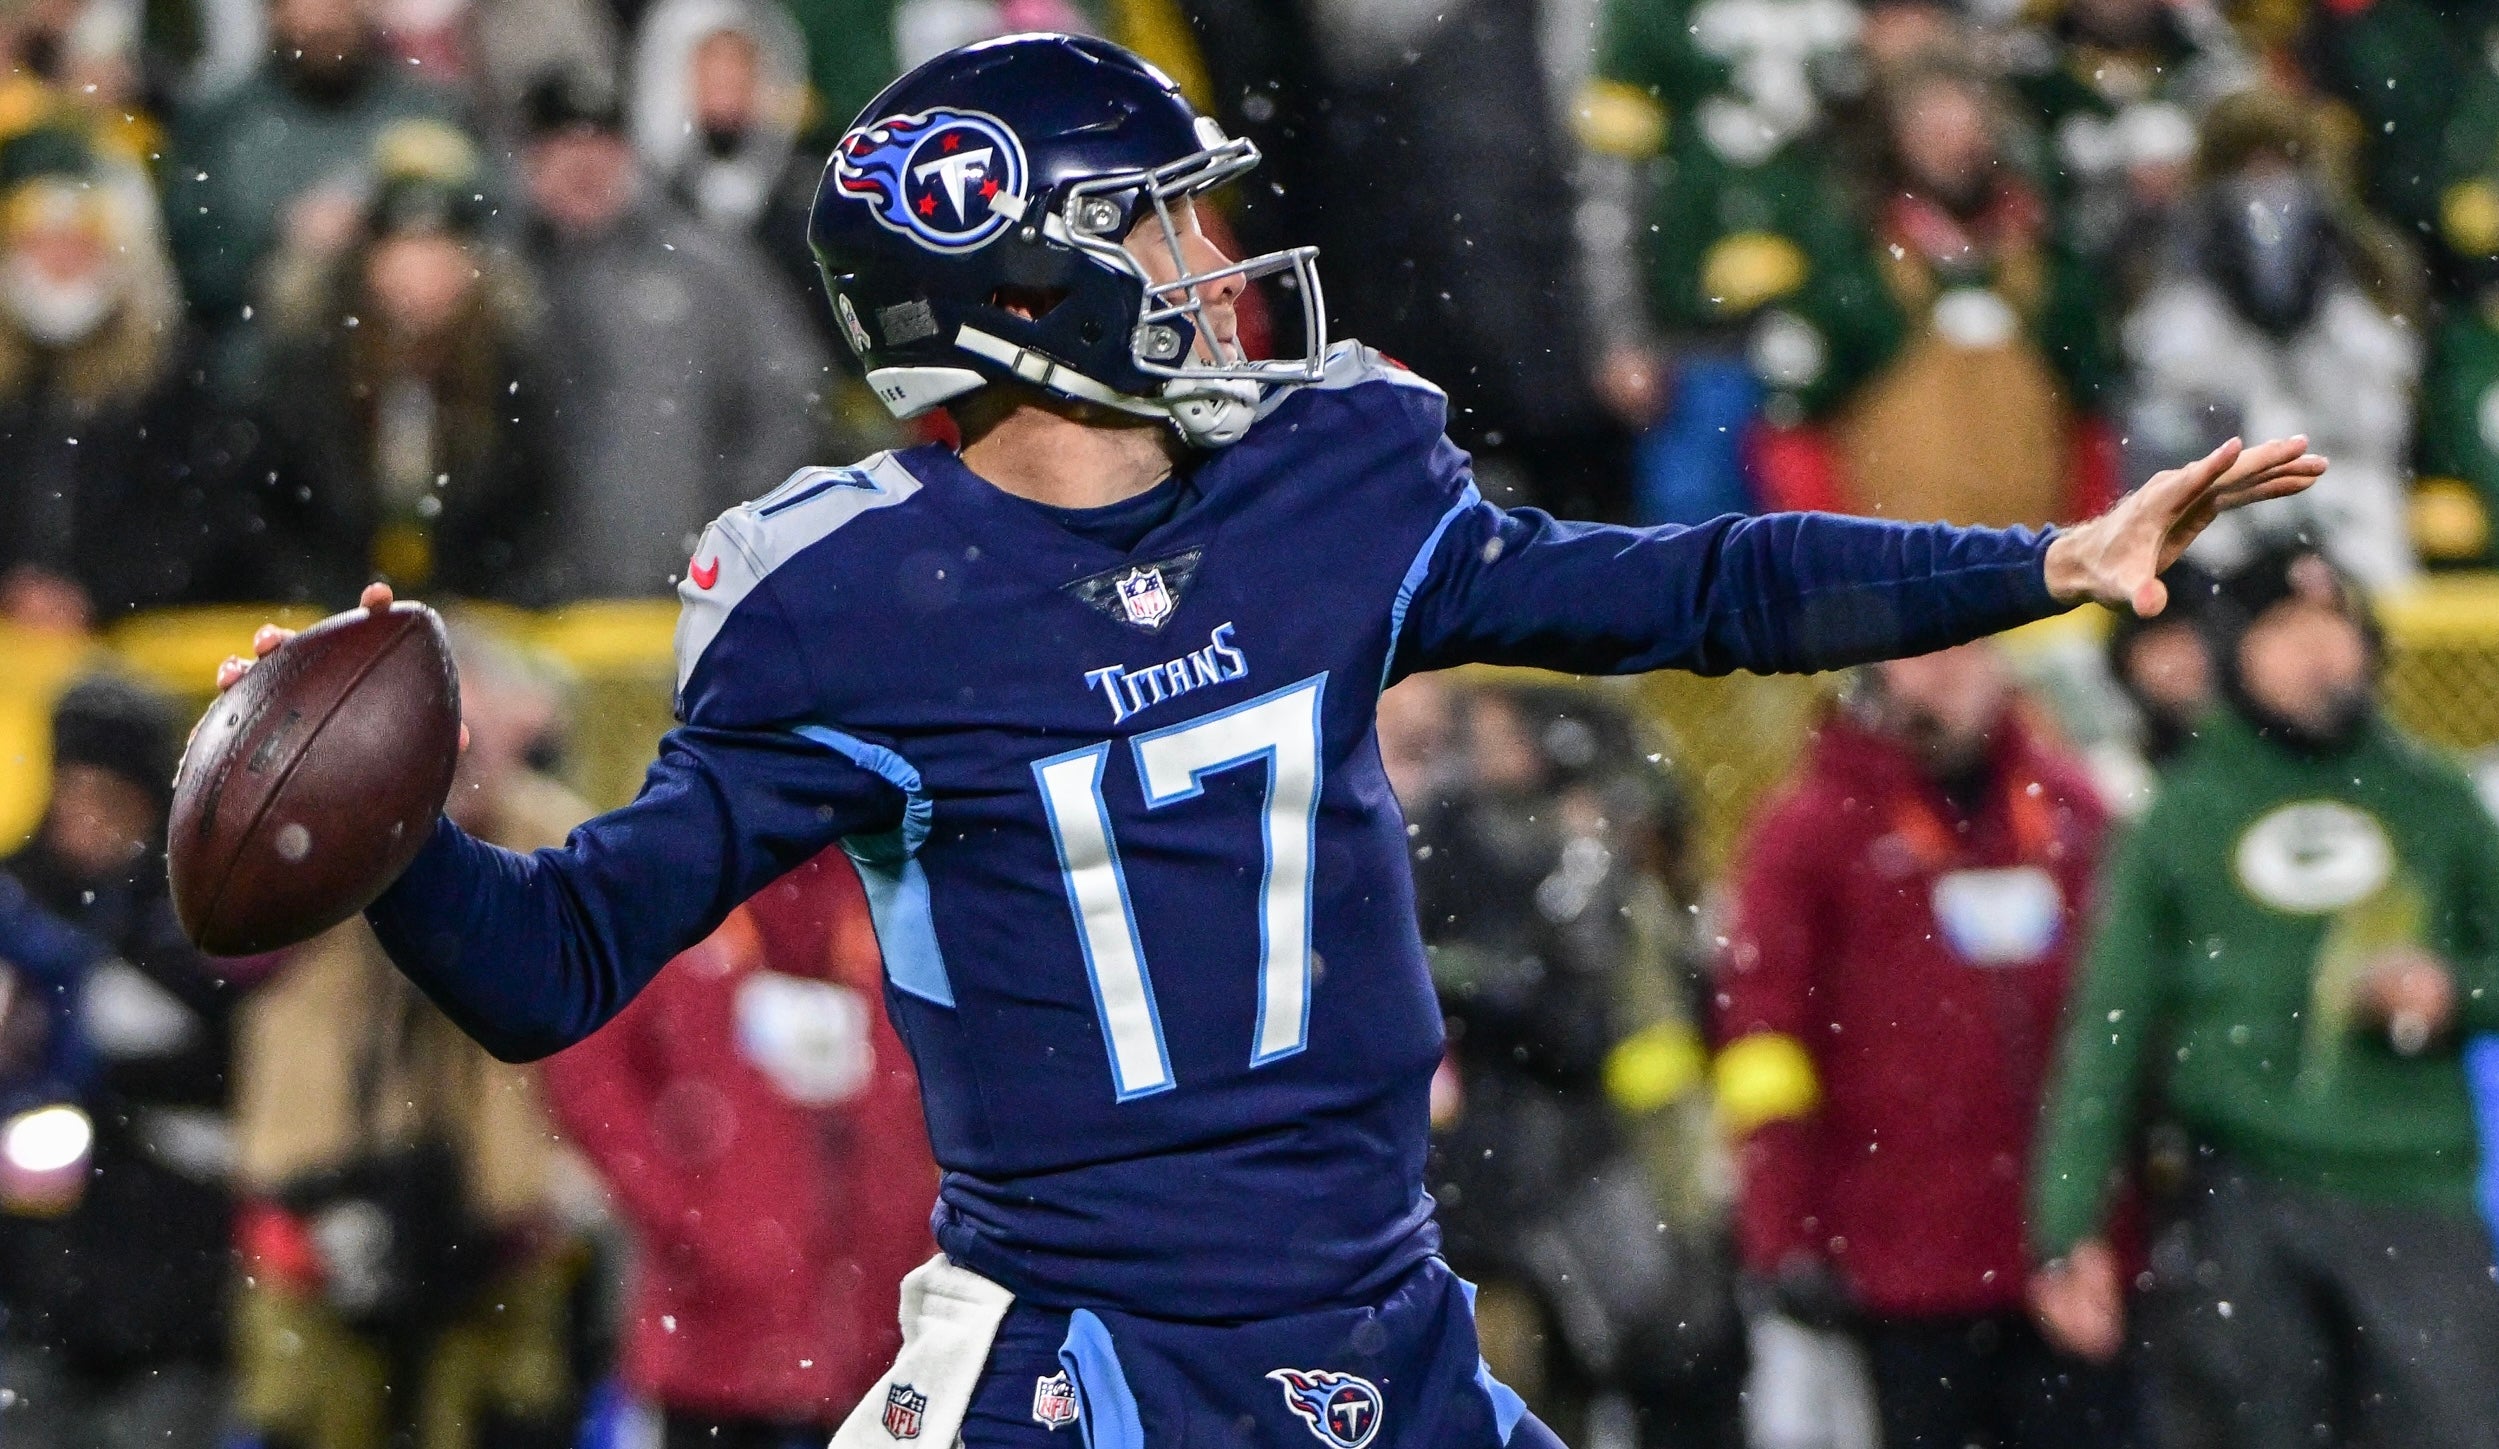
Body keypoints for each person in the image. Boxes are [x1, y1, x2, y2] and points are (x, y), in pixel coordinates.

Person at [215, 34, 2322, 1449]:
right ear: (1023, 288)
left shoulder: (1333, 480)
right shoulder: (845, 599)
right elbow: (555, 961)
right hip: (1086, 1361)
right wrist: (379, 836)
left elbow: (1693, 585)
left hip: (1384, 1317)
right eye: (1161, 227)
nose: (1215, 267)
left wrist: (2040, 558)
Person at [2029, 545, 2499, 1449]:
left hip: (2414, 1188)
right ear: (2234, 651)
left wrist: (2456, 988)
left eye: (2334, 626)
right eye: (2285, 631)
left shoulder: (2432, 797)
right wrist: (2066, 1222)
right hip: (2241, 1193)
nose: (2318, 654)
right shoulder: (2182, 813)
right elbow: (2108, 1029)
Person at [1718, 643, 2129, 1449]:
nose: (1946, 674)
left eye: (1966, 651)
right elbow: (1761, 1042)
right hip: (1901, 1266)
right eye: (1920, 655)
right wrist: (1782, 1229)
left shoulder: (2071, 808)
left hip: (2067, 1255)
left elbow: (2126, 1022)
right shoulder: (1808, 829)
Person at [226, 630, 584, 1449]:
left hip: (504, 1227)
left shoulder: (555, 834)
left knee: (504, 1416)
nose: (456, 749)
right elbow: (225, 948)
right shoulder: (317, 824)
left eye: (470, 725)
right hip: (318, 1210)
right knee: (311, 1417)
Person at [1417, 685, 1739, 1449]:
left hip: (1624, 1175)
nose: (1484, 750)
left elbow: (1582, 1020)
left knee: (1673, 1375)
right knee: (1521, 1400)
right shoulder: (1452, 843)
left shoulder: (1602, 857)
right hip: (1510, 1199)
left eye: (1502, 731)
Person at [543, 847, 938, 1449]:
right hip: (717, 1349)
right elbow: (583, 1057)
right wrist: (688, 1212)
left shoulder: (915, 886)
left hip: (887, 1343)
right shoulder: (684, 879)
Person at [0, 676, 242, 1449]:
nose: (86, 820)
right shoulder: (21, 895)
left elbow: (211, 1062)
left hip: (177, 1292)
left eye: (110, 798)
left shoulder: (201, 912)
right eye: (73, 793)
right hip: (33, 1295)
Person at [514, 67, 828, 601]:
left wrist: (727, 536)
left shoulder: (706, 266)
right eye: (562, 142)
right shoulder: (495, 273)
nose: (584, 161)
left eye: (603, 140)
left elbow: (790, 401)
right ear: (526, 161)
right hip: (521, 614)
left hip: (681, 602)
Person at [252, 125, 562, 604]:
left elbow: (532, 513)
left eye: (438, 249)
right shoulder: (316, 366)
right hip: (334, 616)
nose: (420, 272)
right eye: (404, 249)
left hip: (479, 620)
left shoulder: (509, 369)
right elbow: (282, 509)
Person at [2123, 93, 2422, 589]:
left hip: (2346, 510)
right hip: (2220, 523)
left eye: (2283, 164)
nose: (2267, 191)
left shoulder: (2367, 277)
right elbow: (2162, 431)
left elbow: (2383, 426)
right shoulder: (2170, 287)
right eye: (2248, 166)